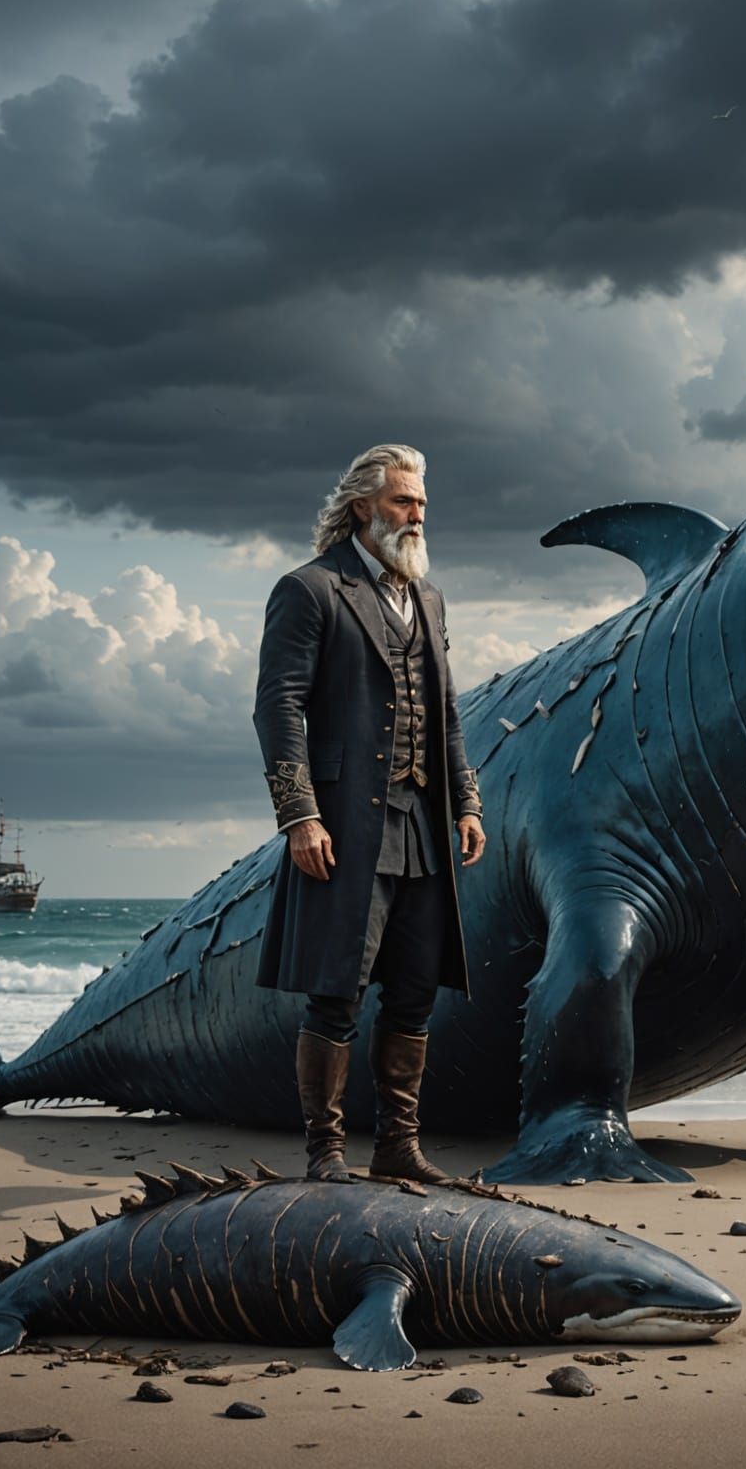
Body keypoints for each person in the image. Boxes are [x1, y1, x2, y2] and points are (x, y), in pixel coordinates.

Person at [252, 443, 486, 1183]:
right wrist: (299, 815)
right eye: (403, 502)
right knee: (336, 992)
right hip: (347, 825)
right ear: (363, 506)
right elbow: (278, 706)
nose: (417, 515)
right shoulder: (311, 589)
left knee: (415, 991)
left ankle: (396, 1147)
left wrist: (467, 802)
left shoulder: (430, 599)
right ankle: (326, 1154)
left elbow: (444, 713)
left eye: (420, 504)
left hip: (422, 824)